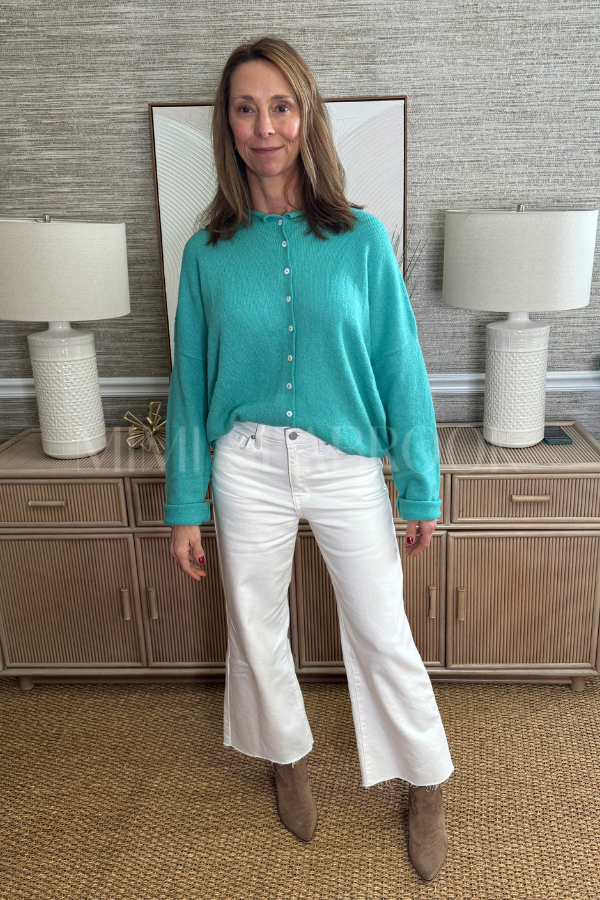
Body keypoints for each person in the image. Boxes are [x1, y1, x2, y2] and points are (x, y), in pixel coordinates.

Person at [163, 36, 454, 882]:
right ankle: (286, 758)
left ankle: (426, 782)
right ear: (227, 124)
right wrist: (185, 505)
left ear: (306, 117)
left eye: (281, 107)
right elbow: (190, 383)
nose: (265, 127)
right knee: (256, 626)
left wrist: (419, 486)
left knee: (382, 627)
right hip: (244, 461)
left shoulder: (361, 239)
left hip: (344, 462)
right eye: (246, 108)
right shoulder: (206, 253)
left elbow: (400, 365)